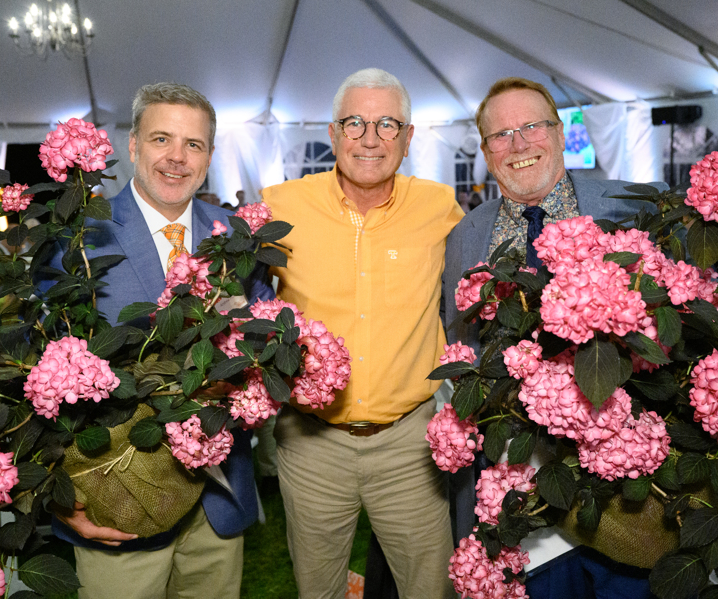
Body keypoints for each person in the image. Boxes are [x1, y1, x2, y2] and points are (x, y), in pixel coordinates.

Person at [443, 77, 668, 599]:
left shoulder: (629, 208)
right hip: (523, 481)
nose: (518, 145)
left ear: (559, 132)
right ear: (484, 150)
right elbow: (463, 350)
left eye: (531, 127)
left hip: (623, 483)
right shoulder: (464, 239)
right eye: (500, 135)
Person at [47, 82, 271, 599]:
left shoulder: (238, 239)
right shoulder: (78, 240)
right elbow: (40, 370)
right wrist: (60, 490)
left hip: (218, 502)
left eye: (193, 144)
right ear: (132, 146)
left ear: (210, 156)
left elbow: (261, 347)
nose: (177, 157)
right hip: (114, 501)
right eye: (160, 139)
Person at [261, 68, 465, 599]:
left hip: (410, 445)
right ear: (332, 132)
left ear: (409, 137)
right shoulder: (279, 206)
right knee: (318, 589)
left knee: (431, 589)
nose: (370, 138)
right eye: (354, 122)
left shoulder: (440, 208)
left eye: (387, 124)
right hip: (311, 445)